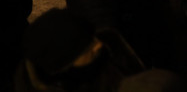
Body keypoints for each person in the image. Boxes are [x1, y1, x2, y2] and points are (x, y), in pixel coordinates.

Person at [14, 8, 144, 92]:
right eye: (87, 48)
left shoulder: (113, 55)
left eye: (93, 38)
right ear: (64, 66)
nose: (99, 45)